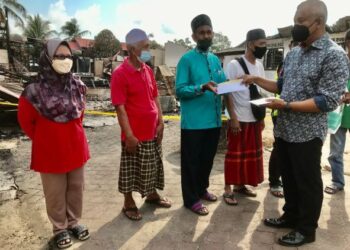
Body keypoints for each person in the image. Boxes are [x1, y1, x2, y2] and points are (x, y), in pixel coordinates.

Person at [242, 0, 349, 246]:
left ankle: (306, 229)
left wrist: (287, 105)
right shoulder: (295, 52)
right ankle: (290, 216)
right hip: (284, 129)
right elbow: (282, 86)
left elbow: (328, 100)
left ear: (318, 23)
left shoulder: (334, 56)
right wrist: (256, 79)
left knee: (307, 182)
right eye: (295, 20)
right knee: (288, 178)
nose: (296, 26)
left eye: (300, 22)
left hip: (307, 134)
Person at [18, 39, 90, 249]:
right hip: (49, 151)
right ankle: (60, 229)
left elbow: (81, 115)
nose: (65, 60)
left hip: (76, 148)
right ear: (48, 59)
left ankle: (74, 222)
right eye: (59, 56)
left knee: (76, 189)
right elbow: (26, 122)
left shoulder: (78, 86)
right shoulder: (33, 91)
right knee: (55, 193)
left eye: (68, 56)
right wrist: (45, 138)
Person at [111, 28, 171, 221]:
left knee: (152, 165)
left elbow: (155, 97)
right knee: (130, 170)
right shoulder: (120, 74)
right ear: (131, 48)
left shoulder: (147, 70)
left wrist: (160, 122)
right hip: (134, 135)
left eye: (149, 46)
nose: (148, 50)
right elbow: (120, 108)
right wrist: (128, 135)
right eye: (145, 47)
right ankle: (128, 202)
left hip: (152, 131)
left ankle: (151, 195)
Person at [176, 14, 226, 215]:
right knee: (191, 163)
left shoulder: (215, 60)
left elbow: (222, 86)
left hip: (214, 121)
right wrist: (201, 87)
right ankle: (190, 199)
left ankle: (201, 189)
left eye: (209, 32)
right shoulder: (186, 60)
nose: (206, 36)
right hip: (194, 123)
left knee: (207, 159)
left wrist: (239, 83)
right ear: (194, 36)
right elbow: (180, 90)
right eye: (201, 33)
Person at [223, 29, 266, 205]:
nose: (264, 48)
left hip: (254, 116)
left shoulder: (260, 65)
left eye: (265, 44)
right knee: (234, 155)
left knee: (249, 156)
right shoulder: (235, 64)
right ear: (250, 43)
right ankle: (227, 189)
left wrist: (262, 117)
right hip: (239, 117)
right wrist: (232, 117)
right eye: (261, 44)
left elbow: (260, 92)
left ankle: (240, 185)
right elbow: (227, 92)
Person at [269, 40, 299, 198]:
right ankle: (274, 181)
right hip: (279, 112)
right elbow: (279, 86)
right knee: (279, 148)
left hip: (295, 112)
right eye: (296, 46)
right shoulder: (285, 64)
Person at [324, 29, 350, 194]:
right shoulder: (341, 61)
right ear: (348, 44)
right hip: (339, 115)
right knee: (335, 152)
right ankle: (337, 181)